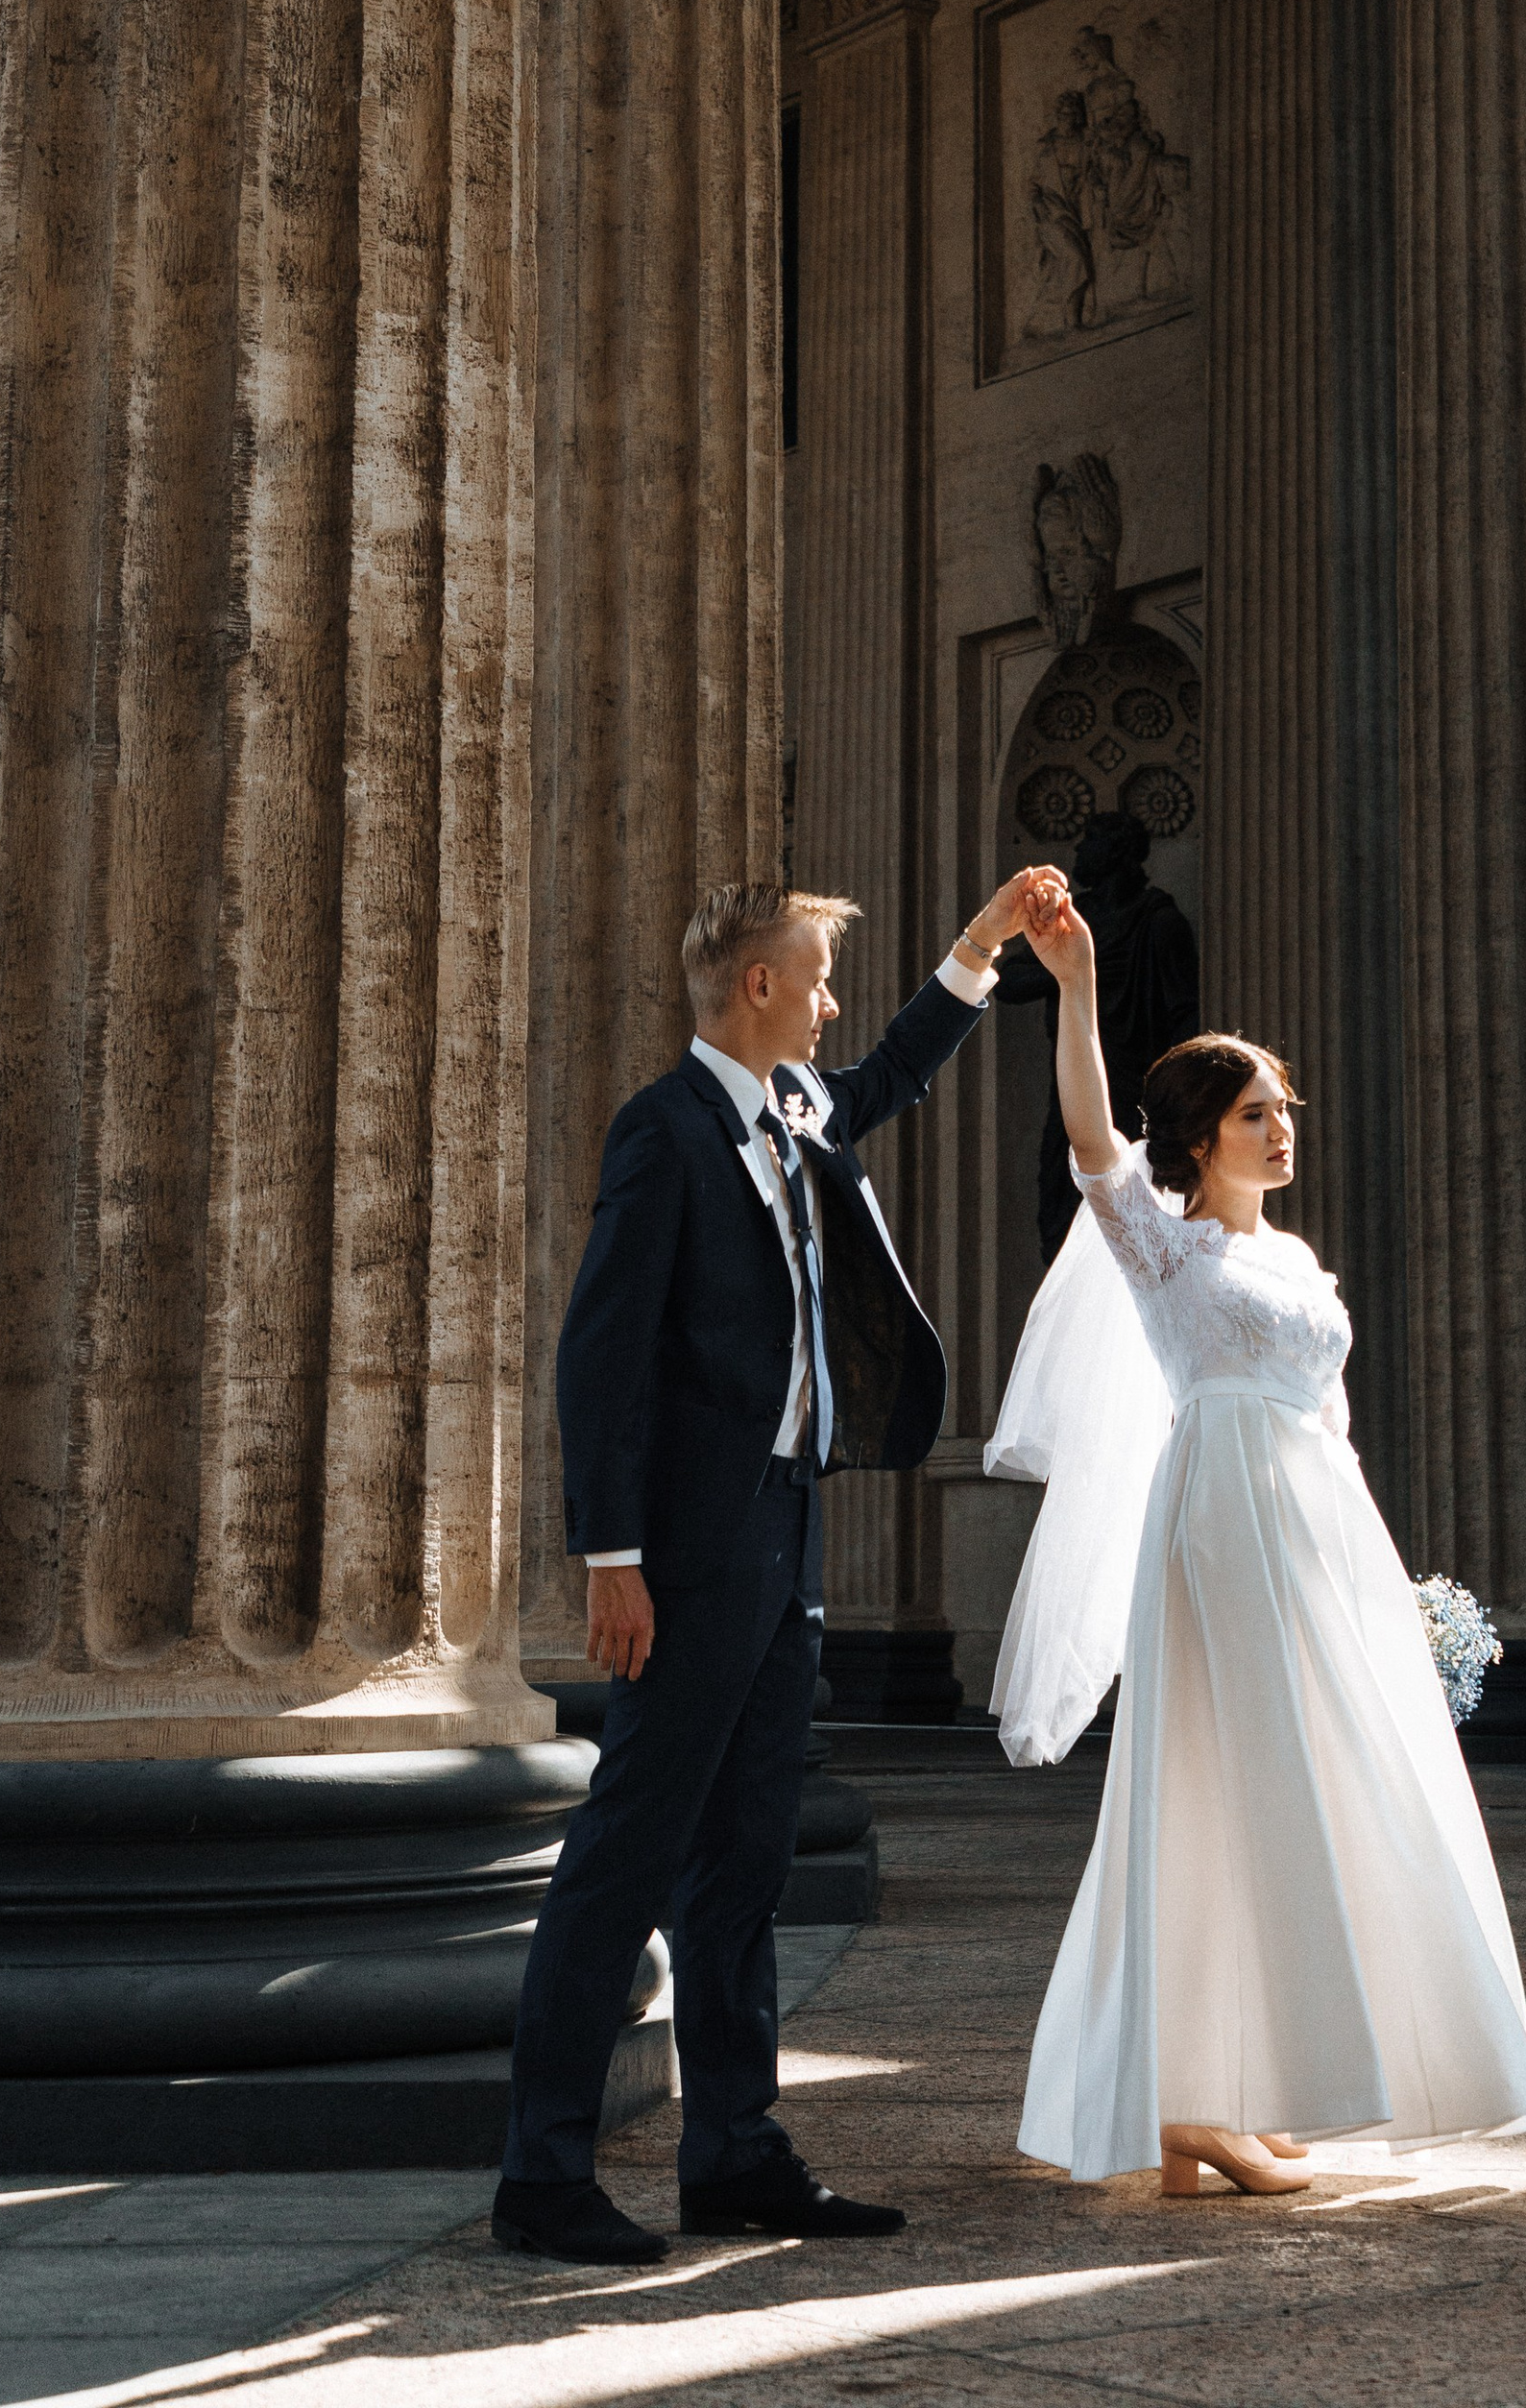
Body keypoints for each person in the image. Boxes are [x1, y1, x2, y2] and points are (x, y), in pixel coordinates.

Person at [493, 868, 1054, 2267]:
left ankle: (735, 2151)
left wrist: (979, 953)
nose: (829, 999)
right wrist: (609, 1555)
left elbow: (890, 1073)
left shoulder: (800, 1110)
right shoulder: (664, 1133)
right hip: (685, 1550)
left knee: (744, 1858)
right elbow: (601, 1355)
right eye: (813, 976)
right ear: (755, 986)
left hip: (789, 1525)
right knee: (626, 1856)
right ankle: (543, 2173)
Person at [1002, 877, 1526, 2195]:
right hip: (1221, 1520)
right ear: (1198, 1136)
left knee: (1327, 1785)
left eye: (1286, 1110)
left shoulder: (1297, 1265)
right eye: (1258, 1113)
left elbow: (1333, 1423)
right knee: (1232, 1781)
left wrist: (1380, 1582)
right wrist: (1075, 988)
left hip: (1316, 1523)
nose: (1283, 1127)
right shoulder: (1165, 1251)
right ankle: (1196, 2097)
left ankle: (1248, 2084)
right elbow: (1089, 1139)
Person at [996, 808, 1199, 1262]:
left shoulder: (1158, 923)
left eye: (1091, 840)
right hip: (1074, 1092)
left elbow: (1186, 1021)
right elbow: (1008, 981)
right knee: (1060, 1215)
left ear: (1117, 851)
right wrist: (1074, 971)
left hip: (1142, 1102)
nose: (1079, 850)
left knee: (1139, 1221)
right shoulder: (1075, 924)